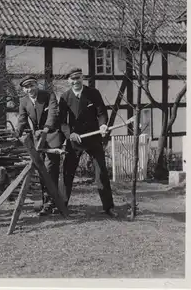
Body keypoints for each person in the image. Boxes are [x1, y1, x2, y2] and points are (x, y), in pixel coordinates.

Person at [58, 67, 117, 217]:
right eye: (72, 79)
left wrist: (103, 125)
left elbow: (102, 113)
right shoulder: (65, 97)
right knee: (67, 173)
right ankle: (62, 206)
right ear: (68, 81)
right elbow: (62, 122)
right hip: (75, 140)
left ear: (82, 78)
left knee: (101, 172)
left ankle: (109, 207)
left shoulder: (93, 93)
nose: (75, 81)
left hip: (93, 138)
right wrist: (70, 134)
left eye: (78, 77)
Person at [15, 75, 64, 216]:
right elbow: (22, 118)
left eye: (32, 86)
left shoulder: (48, 95)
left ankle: (51, 203)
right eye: (26, 87)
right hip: (38, 140)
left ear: (37, 85)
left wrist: (47, 128)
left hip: (51, 136)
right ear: (24, 89)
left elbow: (53, 113)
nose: (29, 89)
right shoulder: (23, 101)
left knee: (50, 170)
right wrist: (17, 132)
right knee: (41, 171)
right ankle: (47, 202)